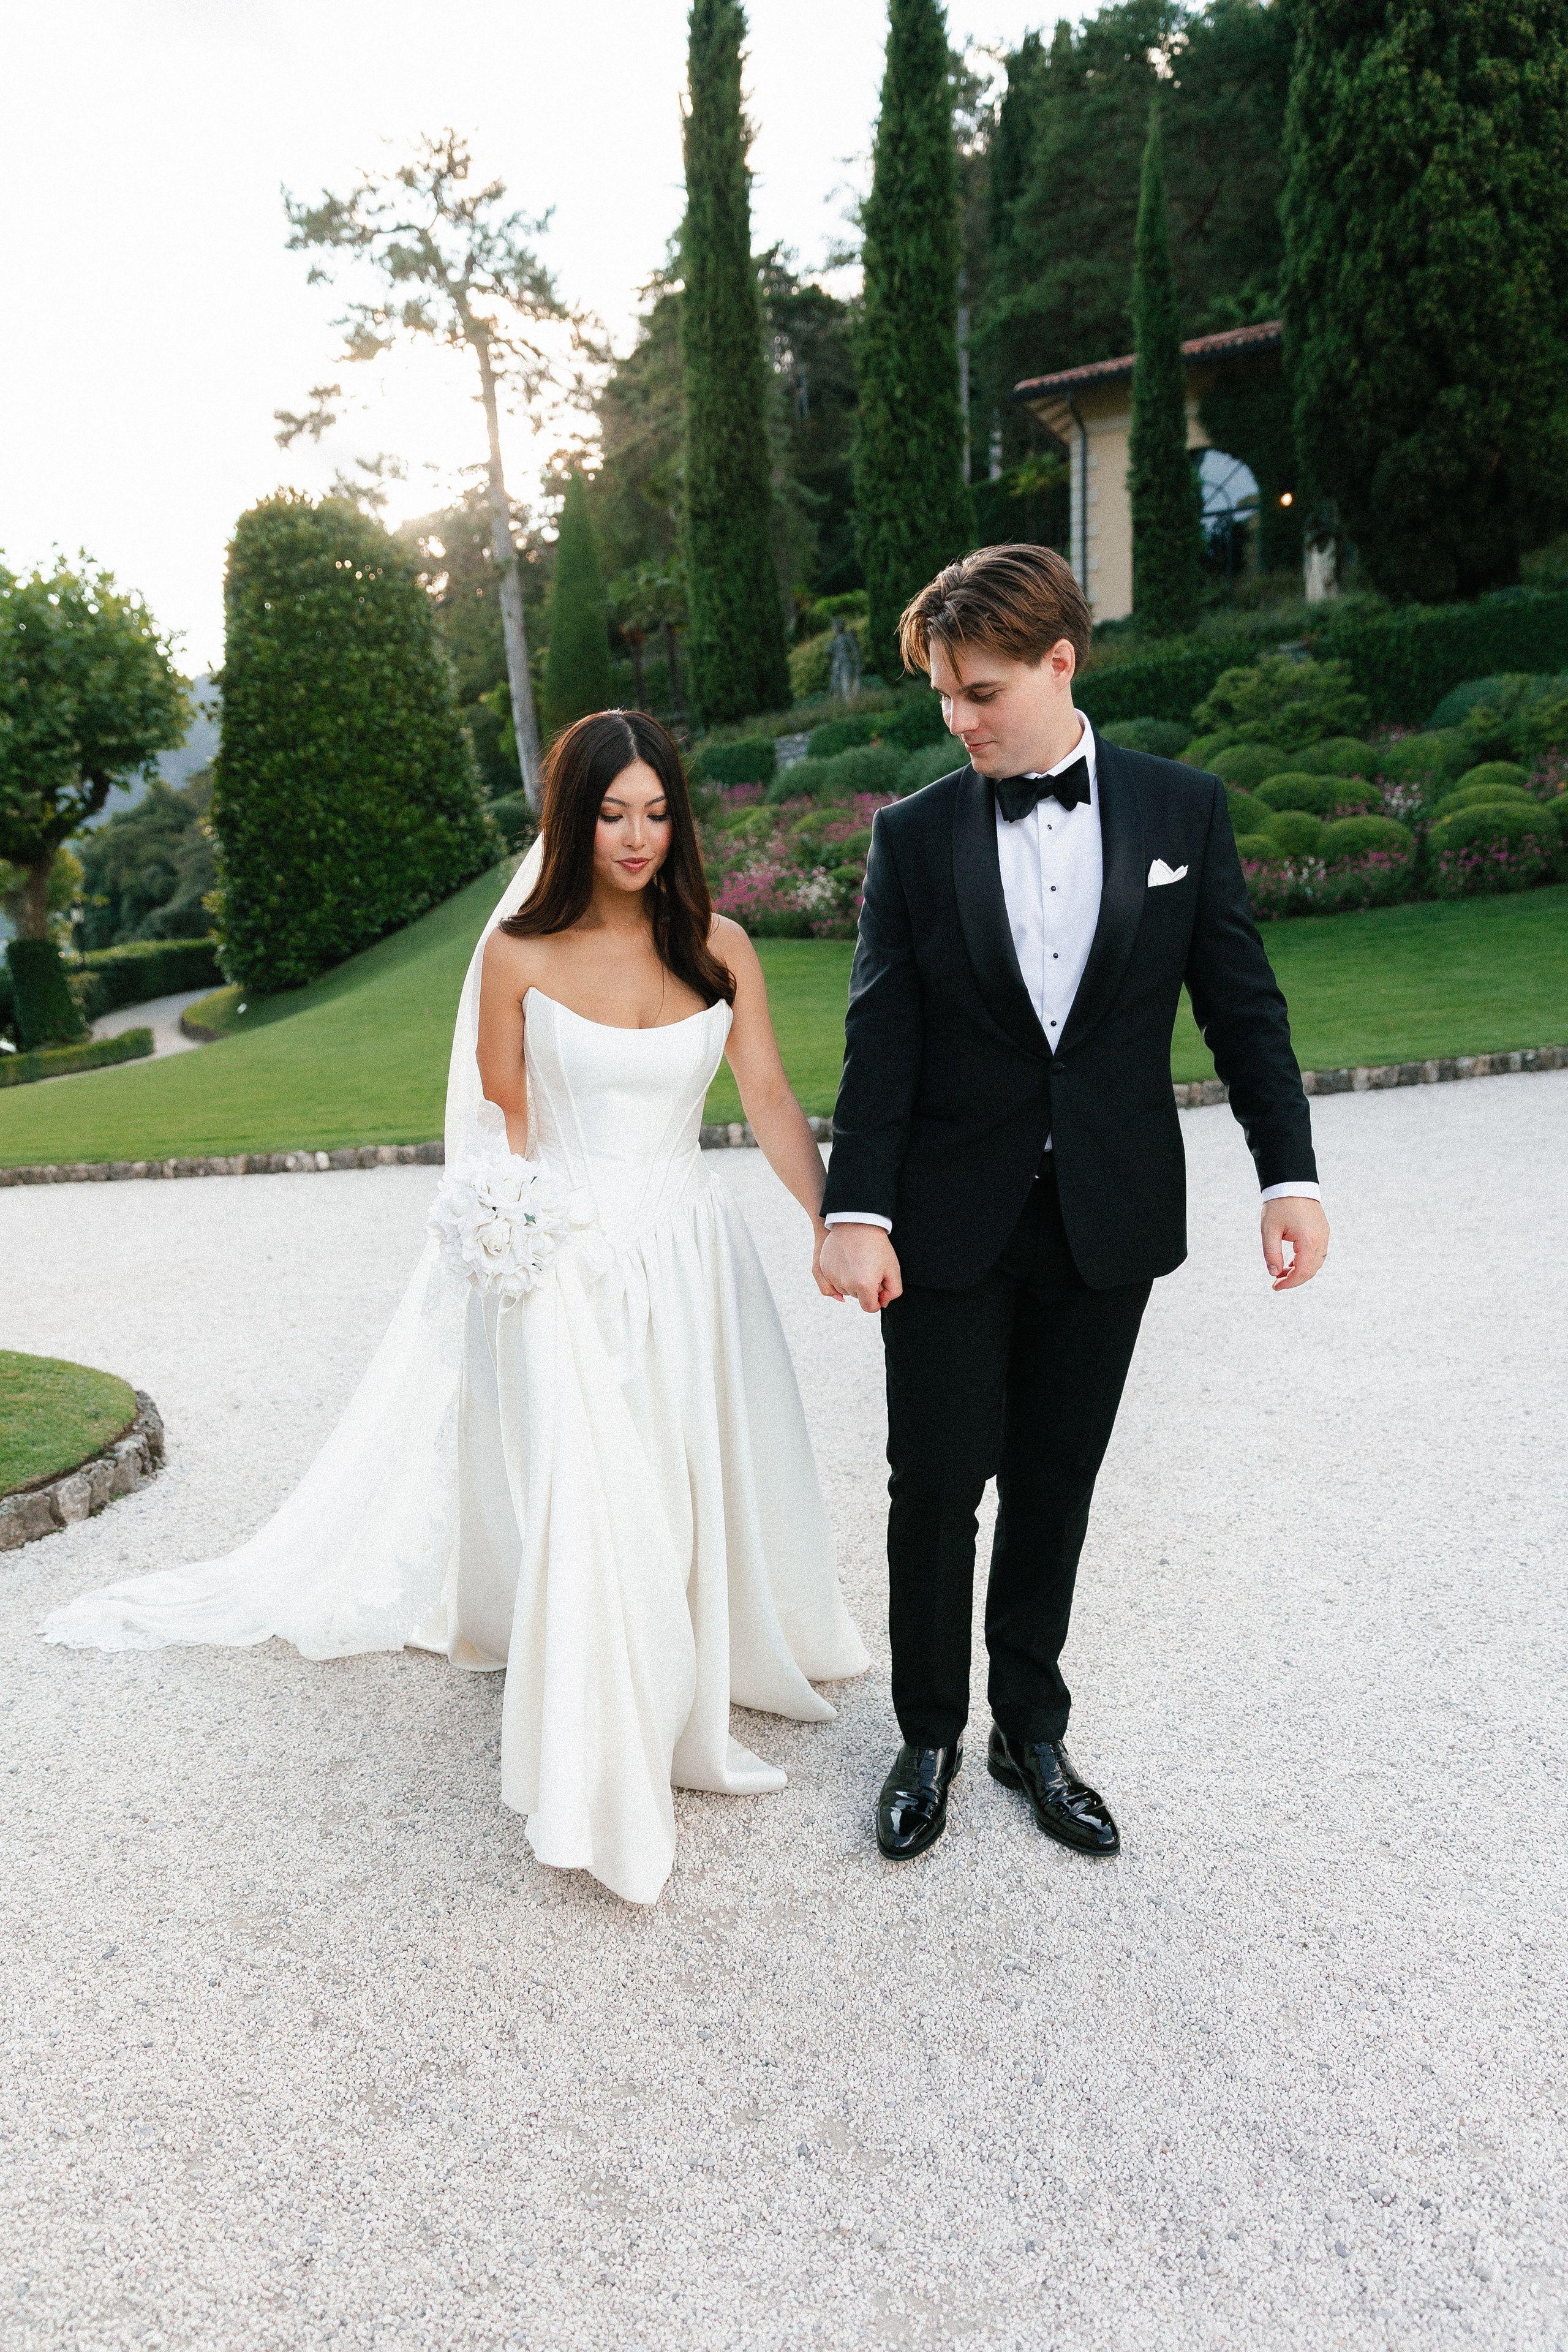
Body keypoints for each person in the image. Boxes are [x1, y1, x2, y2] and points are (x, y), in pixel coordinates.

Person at [43, 711, 867, 1905]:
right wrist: (514, 1263)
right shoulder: (520, 959)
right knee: (603, 1497)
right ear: (568, 818)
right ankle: (612, 1742)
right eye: (608, 812)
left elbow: (773, 1097)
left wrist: (823, 1220)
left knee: (688, 1472)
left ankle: (701, 1653)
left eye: (655, 812)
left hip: (692, 1252)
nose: (635, 836)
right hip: (569, 1268)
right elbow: (503, 1135)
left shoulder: (721, 947)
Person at [818, 545, 1328, 1864]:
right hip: (942, 1219)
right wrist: (852, 1208)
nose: (957, 719)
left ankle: (1026, 1731)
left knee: (1056, 1479)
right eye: (941, 694)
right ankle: (926, 1732)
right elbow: (879, 1044)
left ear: (1060, 662)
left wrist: (1287, 1175)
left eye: (978, 691)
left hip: (1105, 1214)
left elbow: (1242, 1008)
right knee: (934, 1482)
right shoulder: (913, 838)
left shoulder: (1181, 813)